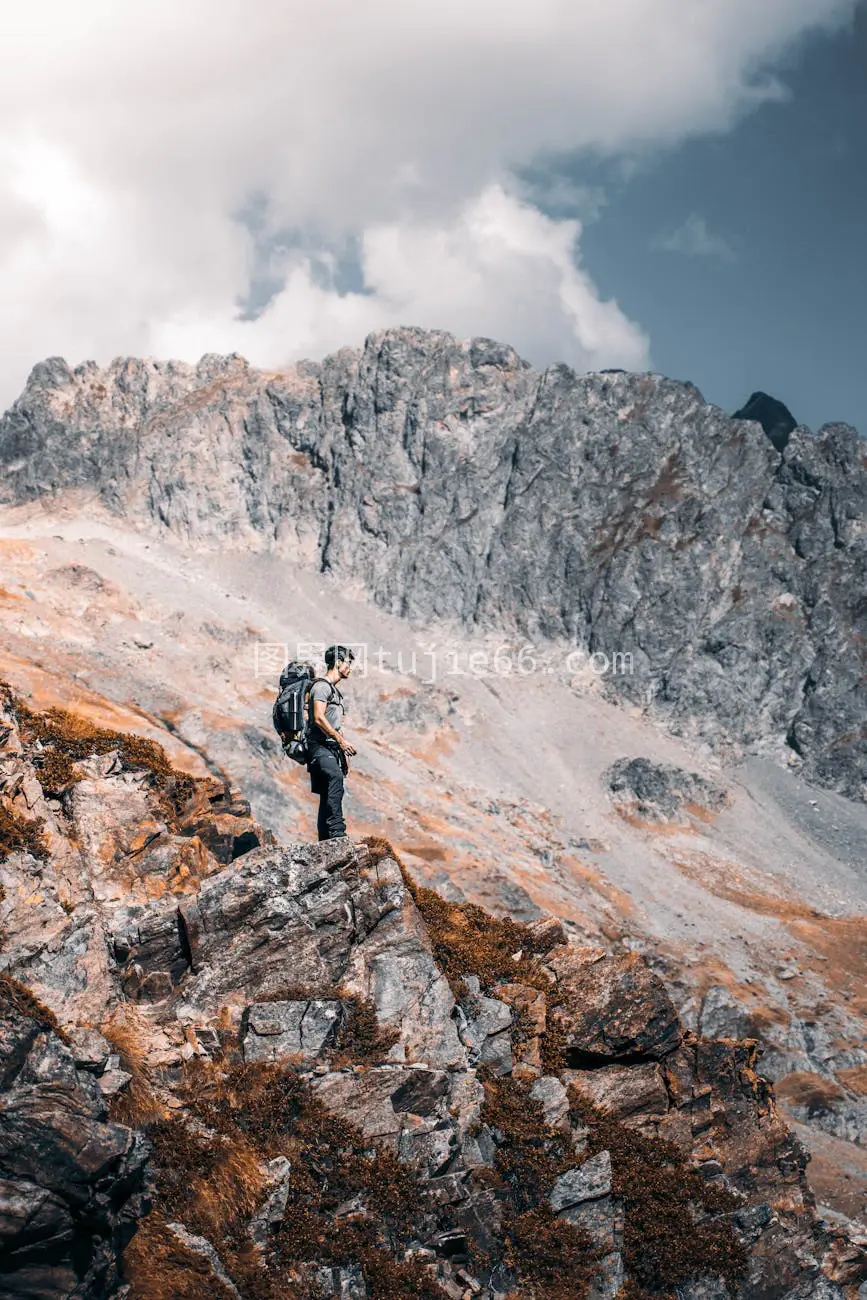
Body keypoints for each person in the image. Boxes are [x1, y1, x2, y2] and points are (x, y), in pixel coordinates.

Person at [307, 645, 357, 841]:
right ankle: (337, 833)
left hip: (329, 748)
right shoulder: (321, 687)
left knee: (328, 791)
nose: (350, 668)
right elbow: (318, 718)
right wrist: (341, 742)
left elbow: (334, 725)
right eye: (348, 663)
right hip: (318, 747)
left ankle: (325, 841)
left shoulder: (334, 691)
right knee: (335, 780)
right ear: (338, 662)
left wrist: (342, 753)